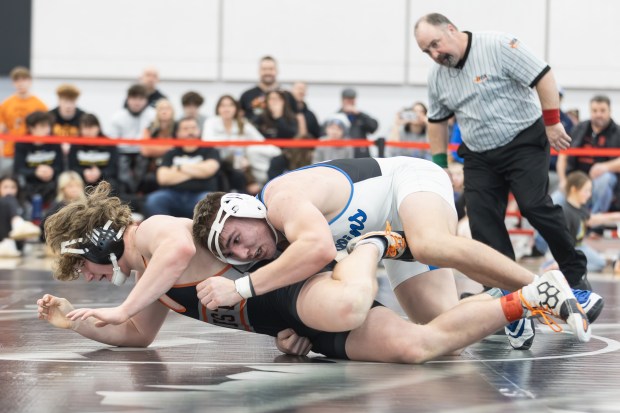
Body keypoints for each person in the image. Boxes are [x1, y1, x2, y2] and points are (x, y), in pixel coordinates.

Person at [37, 181, 590, 363]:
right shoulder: (147, 283)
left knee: (350, 304)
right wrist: (77, 322)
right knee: (416, 349)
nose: (83, 277)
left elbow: (180, 255)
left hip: (290, 289)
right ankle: (533, 297)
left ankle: (371, 246)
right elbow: (135, 338)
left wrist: (119, 305)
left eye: (79, 265)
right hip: (285, 319)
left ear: (102, 242)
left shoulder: (155, 232)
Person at [191, 157, 598, 348]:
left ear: (245, 209)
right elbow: (329, 285)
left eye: (238, 236)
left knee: (429, 242)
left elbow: (317, 248)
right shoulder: (275, 256)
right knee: (438, 323)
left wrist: (241, 289)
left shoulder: (280, 199)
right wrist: (292, 338)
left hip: (407, 182)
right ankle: (513, 302)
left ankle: (549, 286)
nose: (245, 250)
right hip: (387, 238)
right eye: (234, 251)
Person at [413, 13, 589, 293]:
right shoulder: (437, 76)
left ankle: (574, 272)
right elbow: (436, 121)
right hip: (479, 154)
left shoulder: (498, 46)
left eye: (436, 44)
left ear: (451, 29)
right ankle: (502, 289)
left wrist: (553, 121)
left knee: (535, 206)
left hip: (523, 141)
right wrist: (440, 165)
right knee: (482, 223)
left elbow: (543, 75)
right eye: (427, 51)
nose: (434, 54)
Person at [538, 171, 620, 273]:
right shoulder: (565, 211)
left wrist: (616, 216)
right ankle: (560, 265)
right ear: (574, 190)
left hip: (580, 246)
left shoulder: (580, 208)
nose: (589, 195)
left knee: (600, 263)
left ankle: (567, 266)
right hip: (570, 249)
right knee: (597, 264)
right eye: (586, 191)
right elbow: (562, 241)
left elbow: (593, 219)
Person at [142, 117, 220, 219]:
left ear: (199, 131)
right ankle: (165, 232)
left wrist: (179, 168)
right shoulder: (171, 153)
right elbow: (163, 178)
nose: (190, 131)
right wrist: (197, 171)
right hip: (173, 195)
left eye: (193, 128)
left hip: (201, 194)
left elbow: (209, 170)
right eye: (185, 129)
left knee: (210, 203)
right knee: (154, 200)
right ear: (177, 133)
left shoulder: (210, 150)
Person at [556, 95, 620, 214]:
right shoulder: (579, 128)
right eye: (595, 111)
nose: (598, 114)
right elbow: (563, 155)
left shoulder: (617, 132)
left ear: (610, 111)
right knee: (555, 202)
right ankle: (556, 232)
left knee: (605, 179)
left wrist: (606, 167)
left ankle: (592, 224)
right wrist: (563, 180)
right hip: (576, 181)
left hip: (602, 183)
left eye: (602, 110)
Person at [201, 94, 269, 194]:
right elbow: (206, 141)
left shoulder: (242, 123)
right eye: (223, 106)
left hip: (240, 163)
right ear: (218, 108)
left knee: (241, 170)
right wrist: (232, 143)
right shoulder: (211, 122)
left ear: (236, 108)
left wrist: (247, 151)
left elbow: (261, 142)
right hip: (217, 161)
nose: (226, 109)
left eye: (230, 105)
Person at [0, 66, 48, 174]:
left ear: (30, 81)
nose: (20, 83)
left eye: (24, 79)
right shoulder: (6, 104)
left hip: (33, 152)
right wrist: (1, 154)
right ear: (13, 83)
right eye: (17, 80)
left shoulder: (40, 105)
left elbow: (45, 131)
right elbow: (1, 131)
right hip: (10, 152)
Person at [13, 111, 63, 204]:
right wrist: (35, 172)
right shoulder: (21, 143)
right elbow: (18, 169)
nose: (47, 130)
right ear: (31, 128)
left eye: (48, 126)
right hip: (29, 182)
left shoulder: (55, 141)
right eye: (42, 126)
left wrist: (52, 171)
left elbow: (61, 167)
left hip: (52, 182)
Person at [68, 113, 119, 193]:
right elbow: (71, 167)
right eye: (85, 128)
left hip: (104, 180)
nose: (88, 131)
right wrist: (83, 172)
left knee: (113, 185)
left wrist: (100, 173)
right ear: (80, 129)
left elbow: (114, 168)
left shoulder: (109, 144)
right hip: (82, 180)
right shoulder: (75, 144)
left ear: (98, 128)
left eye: (91, 127)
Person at [239, 56, 296, 125]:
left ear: (277, 71)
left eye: (271, 69)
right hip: (254, 135)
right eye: (264, 69)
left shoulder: (287, 96)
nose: (268, 72)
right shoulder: (246, 95)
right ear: (259, 71)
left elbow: (295, 119)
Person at [0, 174, 39, 257]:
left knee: (9, 199)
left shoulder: (24, 205)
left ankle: (18, 226)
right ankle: (18, 224)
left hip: (17, 244)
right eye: (5, 187)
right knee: (7, 199)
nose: (9, 190)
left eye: (13, 187)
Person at [338, 88, 379, 158]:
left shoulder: (361, 116)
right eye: (347, 99)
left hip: (361, 154)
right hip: (343, 155)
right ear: (342, 100)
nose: (350, 102)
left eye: (352, 99)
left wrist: (359, 114)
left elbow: (373, 127)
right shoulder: (337, 117)